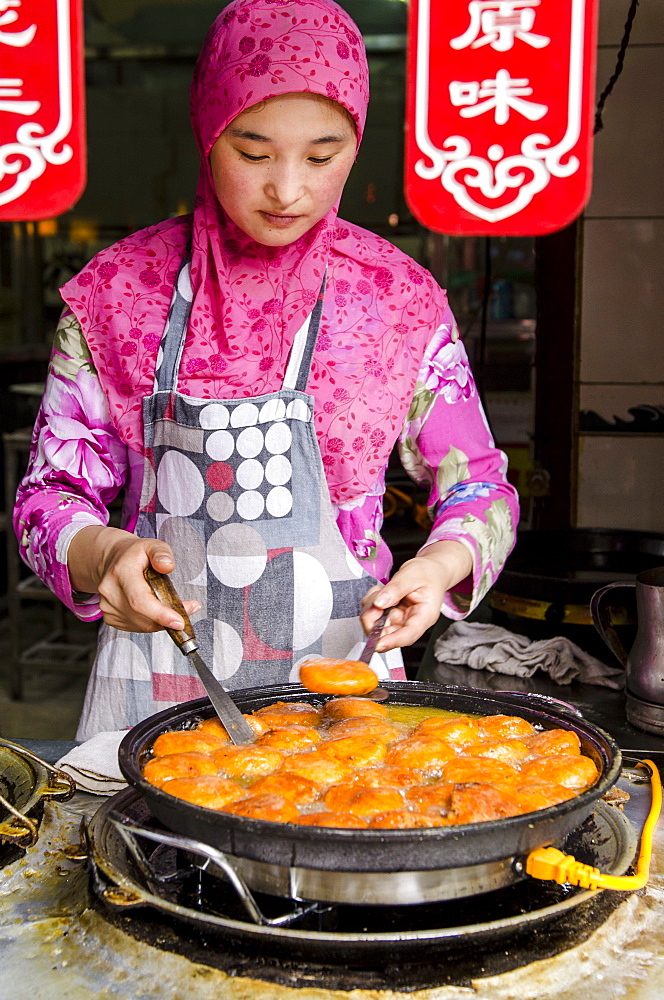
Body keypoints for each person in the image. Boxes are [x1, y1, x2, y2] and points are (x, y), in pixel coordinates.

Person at [14, 0, 519, 739]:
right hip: (155, 699)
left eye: (323, 154)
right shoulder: (116, 295)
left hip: (343, 702)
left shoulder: (397, 302)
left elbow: (478, 484)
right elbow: (48, 498)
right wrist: (100, 551)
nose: (289, 189)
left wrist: (442, 564)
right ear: (207, 132)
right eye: (252, 152)